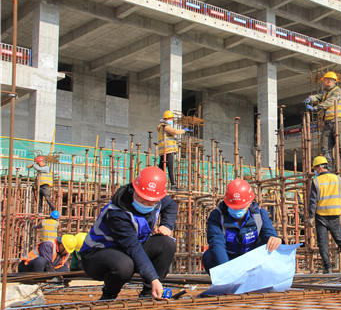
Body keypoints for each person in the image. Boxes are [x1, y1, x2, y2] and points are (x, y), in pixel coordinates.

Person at [80, 166, 178, 300]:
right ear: (134, 189)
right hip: (98, 255)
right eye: (141, 199)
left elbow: (171, 205)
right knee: (124, 266)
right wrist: (153, 279)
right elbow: (133, 248)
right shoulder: (117, 213)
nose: (145, 203)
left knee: (167, 244)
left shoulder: (157, 198)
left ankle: (149, 294)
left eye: (151, 202)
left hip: (128, 251)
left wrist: (166, 225)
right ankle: (109, 295)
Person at [202, 179, 282, 273]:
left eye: (241, 207)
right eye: (233, 207)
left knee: (274, 247)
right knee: (209, 257)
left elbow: (268, 234)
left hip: (252, 260)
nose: (237, 211)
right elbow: (217, 244)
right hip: (229, 260)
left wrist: (276, 239)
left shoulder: (259, 215)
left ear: (249, 203)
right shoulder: (218, 216)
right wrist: (227, 272)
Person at [307, 156, 341, 274]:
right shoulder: (338, 179)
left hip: (320, 216)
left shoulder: (316, 181)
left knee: (323, 243)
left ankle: (328, 268)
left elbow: (313, 201)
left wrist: (310, 217)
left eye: (315, 168)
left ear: (319, 167)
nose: (315, 171)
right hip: (335, 216)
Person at [304, 72, 341, 169]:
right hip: (327, 123)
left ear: (329, 80)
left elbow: (330, 101)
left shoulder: (337, 91)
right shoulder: (326, 93)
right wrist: (310, 98)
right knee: (325, 148)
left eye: (324, 80)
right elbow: (318, 97)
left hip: (337, 121)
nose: (323, 82)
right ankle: (328, 169)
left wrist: (317, 107)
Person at [157, 110, 187, 190]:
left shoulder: (161, 127)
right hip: (169, 151)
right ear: (166, 119)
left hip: (163, 152)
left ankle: (158, 184)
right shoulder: (165, 126)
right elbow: (175, 131)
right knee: (171, 167)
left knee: (161, 169)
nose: (171, 120)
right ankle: (173, 185)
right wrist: (184, 130)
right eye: (170, 119)